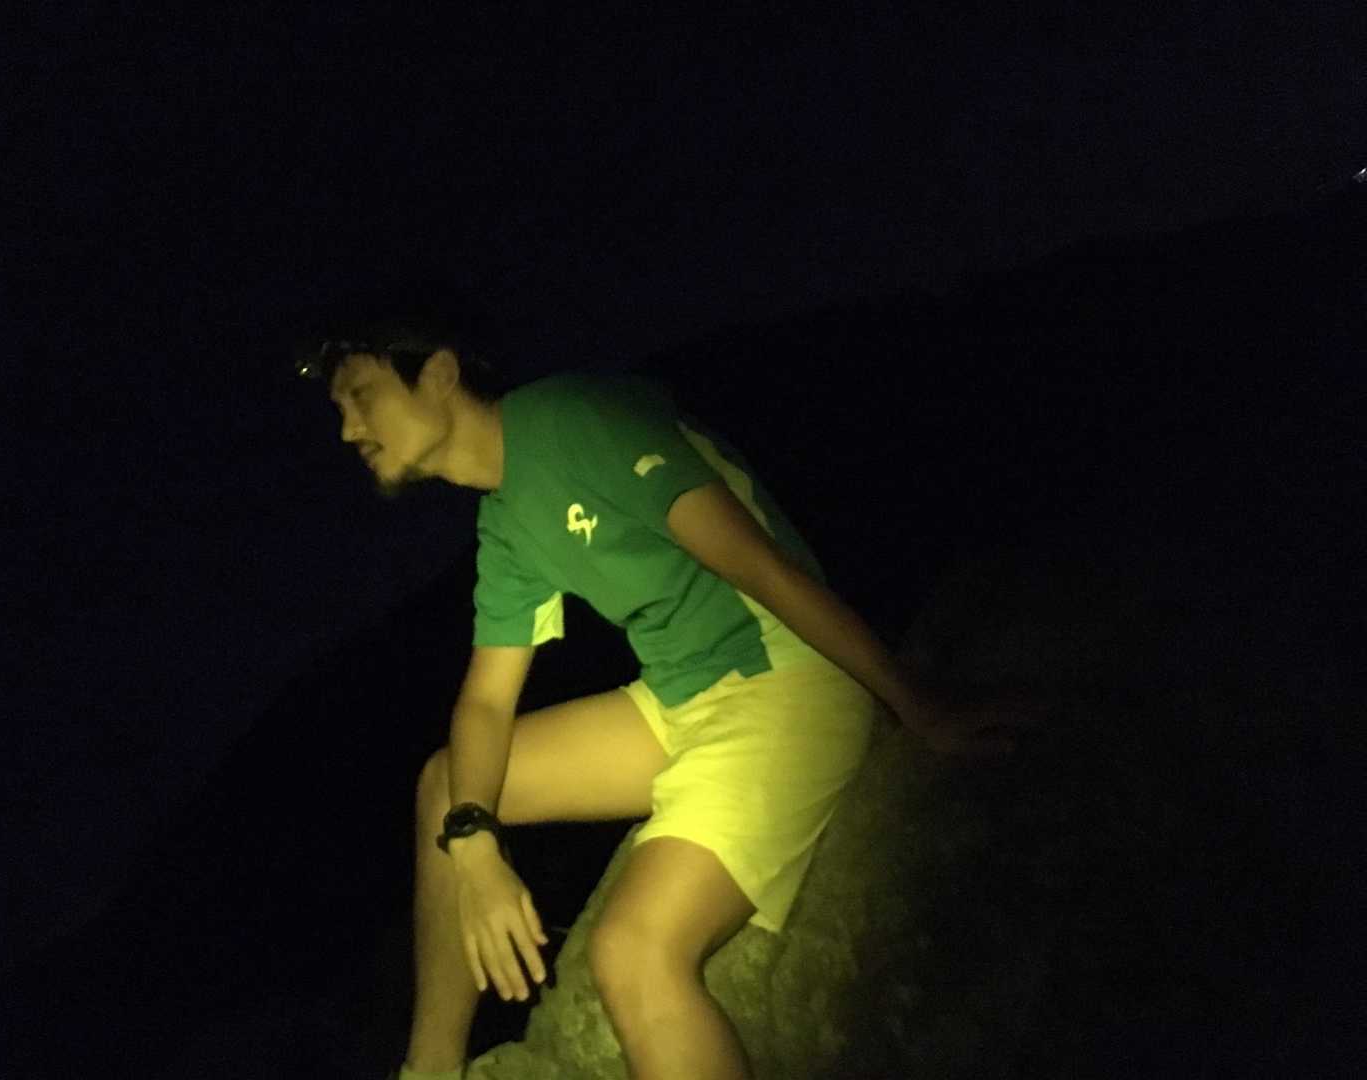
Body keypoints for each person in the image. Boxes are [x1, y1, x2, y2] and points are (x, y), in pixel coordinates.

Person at [299, 313, 1035, 1080]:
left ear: (440, 374)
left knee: (634, 954)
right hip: (682, 697)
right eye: (341, 408)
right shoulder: (506, 518)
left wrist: (916, 705)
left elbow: (759, 565)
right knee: (447, 787)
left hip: (783, 679)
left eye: (361, 394)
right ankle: (430, 1072)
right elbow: (486, 699)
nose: (348, 428)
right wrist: (476, 845)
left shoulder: (577, 421)